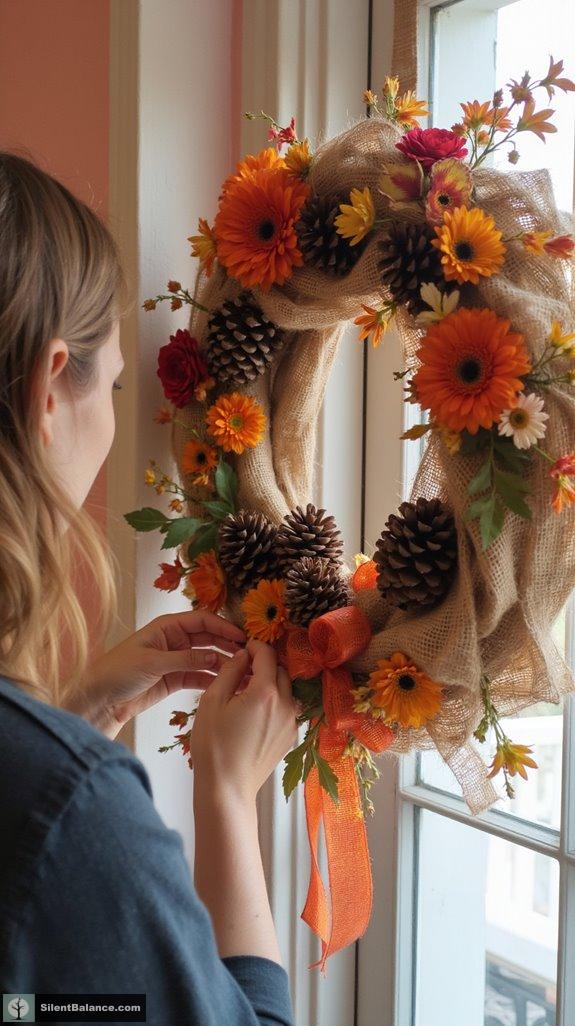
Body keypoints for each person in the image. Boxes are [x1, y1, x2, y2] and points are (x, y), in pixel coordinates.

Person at [0, 153, 297, 1026]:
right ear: (49, 386)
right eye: (116, 381)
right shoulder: (74, 813)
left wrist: (76, 711)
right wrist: (227, 794)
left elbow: (30, 1006)